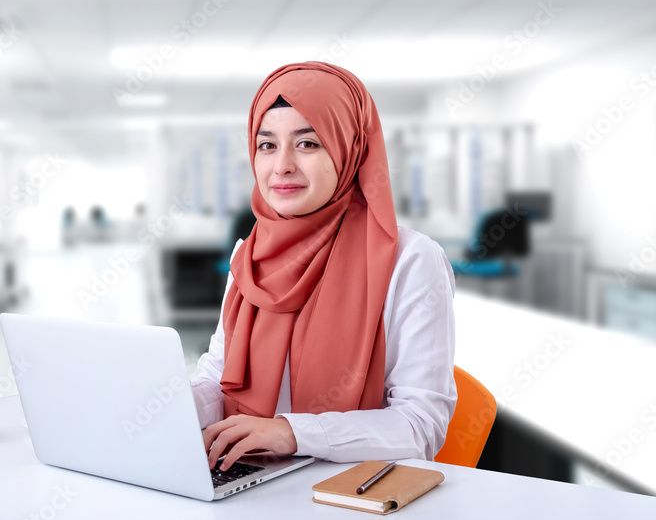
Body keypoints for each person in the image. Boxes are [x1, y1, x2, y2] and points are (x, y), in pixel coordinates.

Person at [190, 61, 457, 472]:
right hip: (245, 477)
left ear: (349, 149)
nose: (281, 166)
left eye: (308, 144)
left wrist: (291, 432)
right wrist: (175, 406)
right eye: (267, 145)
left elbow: (421, 426)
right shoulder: (250, 254)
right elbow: (218, 372)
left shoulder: (410, 259)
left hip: (350, 495)